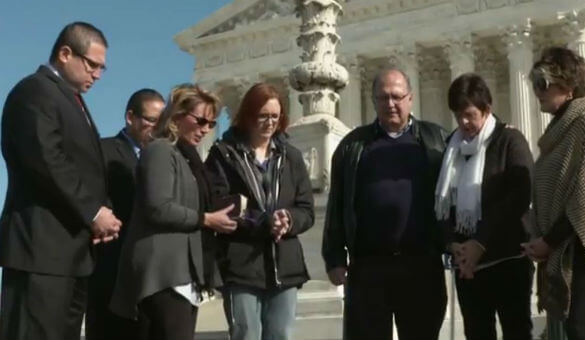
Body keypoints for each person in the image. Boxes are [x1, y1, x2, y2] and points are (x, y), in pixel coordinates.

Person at [0, 22, 121, 340]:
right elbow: (46, 159)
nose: (97, 75)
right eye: (92, 64)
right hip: (41, 252)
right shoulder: (33, 92)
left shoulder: (75, 103)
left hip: (74, 255)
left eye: (102, 68)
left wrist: (103, 212)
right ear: (65, 53)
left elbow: (87, 169)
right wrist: (94, 213)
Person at [322, 68, 448, 340]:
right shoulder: (353, 145)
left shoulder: (435, 140)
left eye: (396, 96)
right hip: (369, 268)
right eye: (382, 98)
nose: (390, 104)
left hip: (421, 266)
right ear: (373, 101)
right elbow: (338, 202)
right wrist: (334, 257)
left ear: (410, 98)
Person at [110, 84, 237, 340]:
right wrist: (205, 219)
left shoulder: (188, 159)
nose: (205, 129)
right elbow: (158, 207)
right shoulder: (160, 150)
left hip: (184, 274)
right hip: (162, 274)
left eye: (211, 124)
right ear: (177, 115)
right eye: (200, 120)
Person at [204, 82, 315, 340]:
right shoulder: (223, 155)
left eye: (275, 117)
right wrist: (265, 222)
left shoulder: (292, 157)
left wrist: (287, 220)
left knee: (281, 335)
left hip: (284, 264)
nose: (269, 123)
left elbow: (306, 209)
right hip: (241, 264)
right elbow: (218, 204)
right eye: (262, 116)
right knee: (246, 335)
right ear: (248, 116)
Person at [522, 46, 585, 340]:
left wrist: (549, 241)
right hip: (560, 247)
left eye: (544, 83)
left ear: (568, 87)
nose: (538, 91)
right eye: (535, 83)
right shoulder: (556, 133)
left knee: (582, 331)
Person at [436, 73, 534, 340]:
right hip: (468, 268)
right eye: (458, 116)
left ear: (487, 109)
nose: (463, 123)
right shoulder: (452, 149)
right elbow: (443, 202)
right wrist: (452, 245)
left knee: (516, 332)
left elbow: (519, 196)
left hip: (508, 260)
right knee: (477, 333)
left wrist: (480, 242)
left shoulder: (509, 141)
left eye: (469, 114)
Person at [86, 89, 165, 340]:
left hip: (152, 273)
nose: (156, 128)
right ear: (130, 117)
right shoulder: (103, 150)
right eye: (151, 120)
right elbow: (91, 197)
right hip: (112, 267)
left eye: (161, 122)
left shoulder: (165, 158)